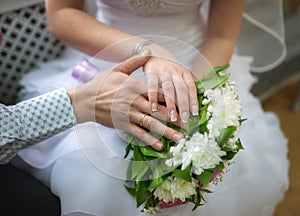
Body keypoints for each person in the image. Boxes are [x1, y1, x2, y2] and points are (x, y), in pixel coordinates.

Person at [12, 0, 290, 215]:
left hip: (196, 63)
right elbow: (61, 15)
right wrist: (147, 51)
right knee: (100, 177)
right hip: (104, 62)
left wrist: (192, 93)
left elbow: (222, 36)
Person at [0, 28, 183, 215]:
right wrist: (83, 101)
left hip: (183, 60)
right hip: (96, 61)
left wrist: (190, 92)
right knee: (97, 175)